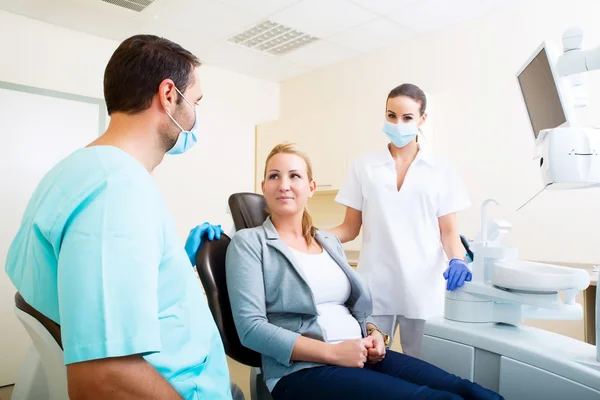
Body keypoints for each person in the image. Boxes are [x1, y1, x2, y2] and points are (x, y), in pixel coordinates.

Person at [5, 35, 232, 399]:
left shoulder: (79, 170)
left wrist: (176, 263)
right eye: (196, 101)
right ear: (169, 95)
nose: (195, 115)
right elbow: (105, 377)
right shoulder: (116, 192)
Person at [225, 143, 502, 400]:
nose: (284, 185)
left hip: (362, 355)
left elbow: (353, 309)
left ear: (311, 187)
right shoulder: (249, 243)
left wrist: (374, 336)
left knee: (468, 390)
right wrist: (333, 353)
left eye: (294, 176)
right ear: (263, 186)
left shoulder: (327, 242)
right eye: (274, 176)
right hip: (302, 370)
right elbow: (251, 329)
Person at [329, 83, 472, 358]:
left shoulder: (441, 169)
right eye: (391, 115)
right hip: (375, 288)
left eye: (407, 118)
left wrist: (457, 259)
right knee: (370, 364)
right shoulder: (364, 166)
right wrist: (306, 236)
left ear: (422, 119)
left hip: (423, 290)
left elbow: (449, 232)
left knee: (423, 369)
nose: (398, 123)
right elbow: (349, 228)